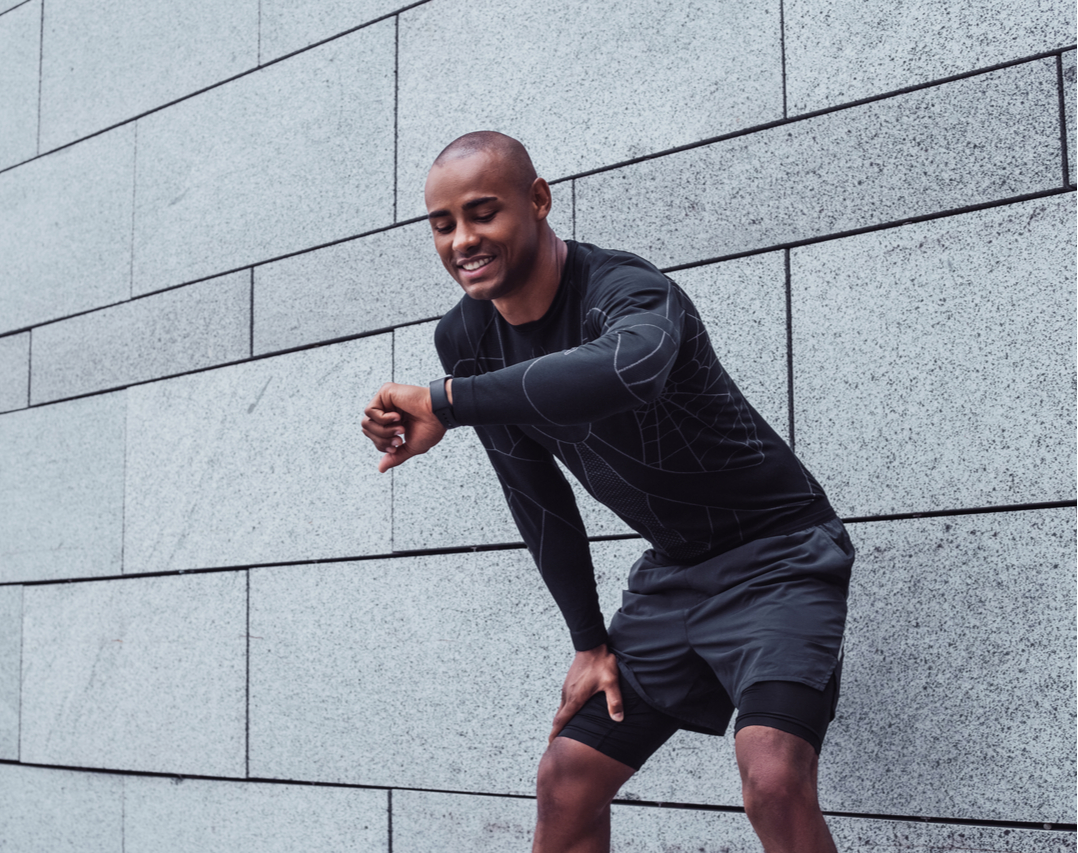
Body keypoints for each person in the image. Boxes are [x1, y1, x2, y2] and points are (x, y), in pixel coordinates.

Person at [361, 131, 854, 853]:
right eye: (444, 224)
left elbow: (628, 370)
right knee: (567, 776)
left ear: (538, 200)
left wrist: (448, 400)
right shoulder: (466, 337)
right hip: (675, 575)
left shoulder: (624, 289)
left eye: (482, 213)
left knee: (773, 777)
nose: (463, 239)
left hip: (780, 555)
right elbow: (535, 495)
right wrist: (588, 641)